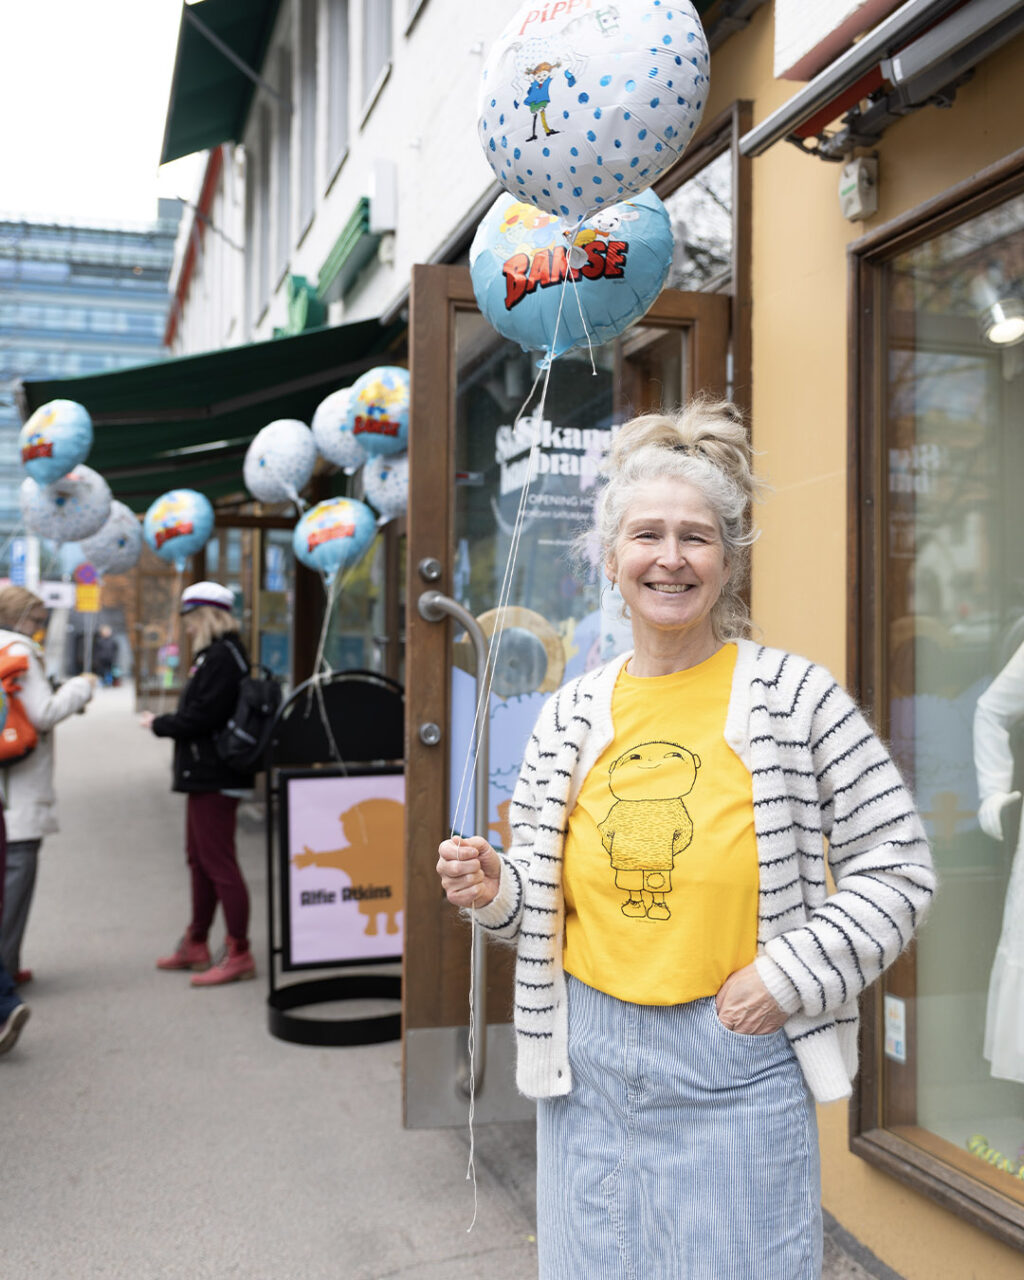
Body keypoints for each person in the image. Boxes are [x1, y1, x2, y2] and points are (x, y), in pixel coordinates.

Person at [436, 399, 937, 1278]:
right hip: (584, 1063)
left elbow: (898, 868)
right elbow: (550, 906)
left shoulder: (794, 698)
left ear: (730, 560)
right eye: (647, 535)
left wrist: (785, 978)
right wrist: (498, 890)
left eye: (697, 537)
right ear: (610, 556)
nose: (670, 558)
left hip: (734, 1063)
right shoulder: (570, 713)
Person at [140, 581, 256, 987]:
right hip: (207, 773)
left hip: (214, 774)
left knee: (218, 863)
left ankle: (238, 951)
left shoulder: (221, 657)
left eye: (190, 621)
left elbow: (202, 717)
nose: (187, 629)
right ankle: (196, 942)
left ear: (206, 616)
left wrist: (158, 723)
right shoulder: (221, 656)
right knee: (200, 858)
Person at [0, 586, 95, 983]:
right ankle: (4, 976)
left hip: (6, 785)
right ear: (21, 616)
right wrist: (82, 686)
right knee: (15, 883)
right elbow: (44, 713)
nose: (40, 629)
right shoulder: (20, 651)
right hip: (19, 793)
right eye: (37, 620)